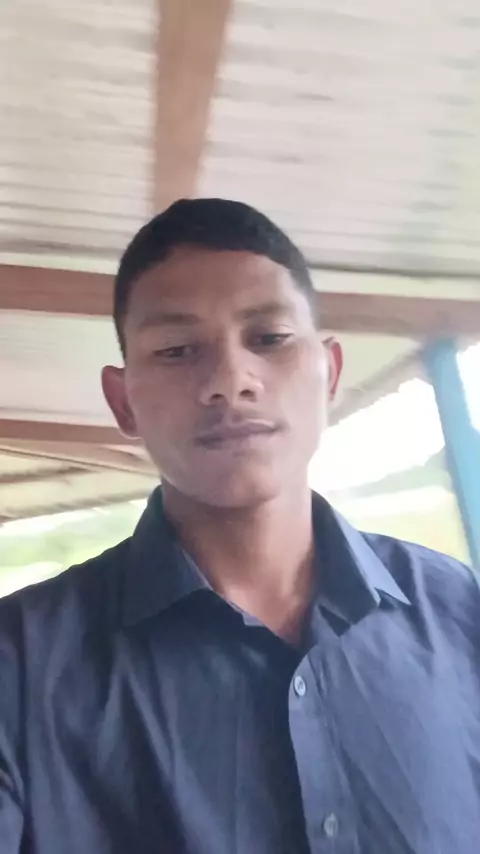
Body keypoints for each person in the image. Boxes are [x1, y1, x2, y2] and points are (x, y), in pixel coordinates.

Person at [0, 199, 479, 854]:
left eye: (270, 338)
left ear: (330, 373)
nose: (230, 381)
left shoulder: (458, 613)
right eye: (176, 350)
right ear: (122, 401)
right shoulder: (20, 666)